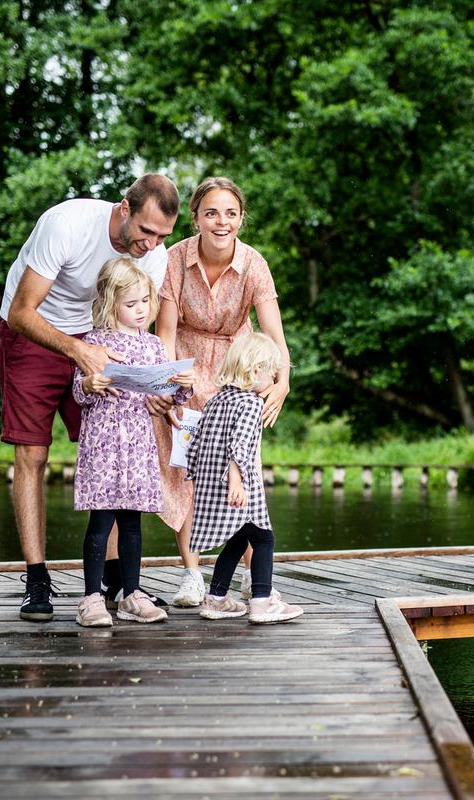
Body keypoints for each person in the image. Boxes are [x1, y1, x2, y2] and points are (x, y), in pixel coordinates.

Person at [0, 174, 179, 621]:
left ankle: (118, 581)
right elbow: (23, 312)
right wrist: (79, 351)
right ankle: (37, 577)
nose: (153, 244)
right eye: (146, 231)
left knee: (111, 449)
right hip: (34, 333)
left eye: (163, 236)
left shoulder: (153, 257)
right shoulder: (67, 224)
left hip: (102, 339)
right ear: (124, 209)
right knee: (33, 454)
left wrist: (158, 389)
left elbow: (142, 332)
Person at [151, 177, 291, 607]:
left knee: (241, 468)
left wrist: (283, 380)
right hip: (187, 371)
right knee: (185, 471)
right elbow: (166, 333)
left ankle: (251, 576)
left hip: (239, 372)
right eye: (211, 212)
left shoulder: (254, 264)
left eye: (230, 213)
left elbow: (274, 335)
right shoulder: (174, 259)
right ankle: (193, 575)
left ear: (241, 218)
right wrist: (172, 387)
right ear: (195, 217)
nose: (221, 221)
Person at [71, 258, 172, 627]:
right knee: (101, 522)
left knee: (132, 523)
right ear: (111, 303)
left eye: (145, 301)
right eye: (131, 304)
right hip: (104, 444)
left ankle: (131, 593)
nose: (141, 309)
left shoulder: (156, 346)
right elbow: (78, 394)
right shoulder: (94, 343)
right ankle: (91, 598)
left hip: (138, 446)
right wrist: (87, 384)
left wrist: (178, 389)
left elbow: (164, 396)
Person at [186, 333, 303, 624]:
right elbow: (239, 445)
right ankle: (262, 603)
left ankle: (216, 599)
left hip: (211, 483)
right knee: (263, 539)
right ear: (254, 371)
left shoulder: (216, 400)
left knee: (238, 539)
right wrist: (237, 482)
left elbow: (196, 442)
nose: (275, 381)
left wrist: (195, 476)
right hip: (238, 485)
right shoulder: (250, 403)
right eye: (272, 374)